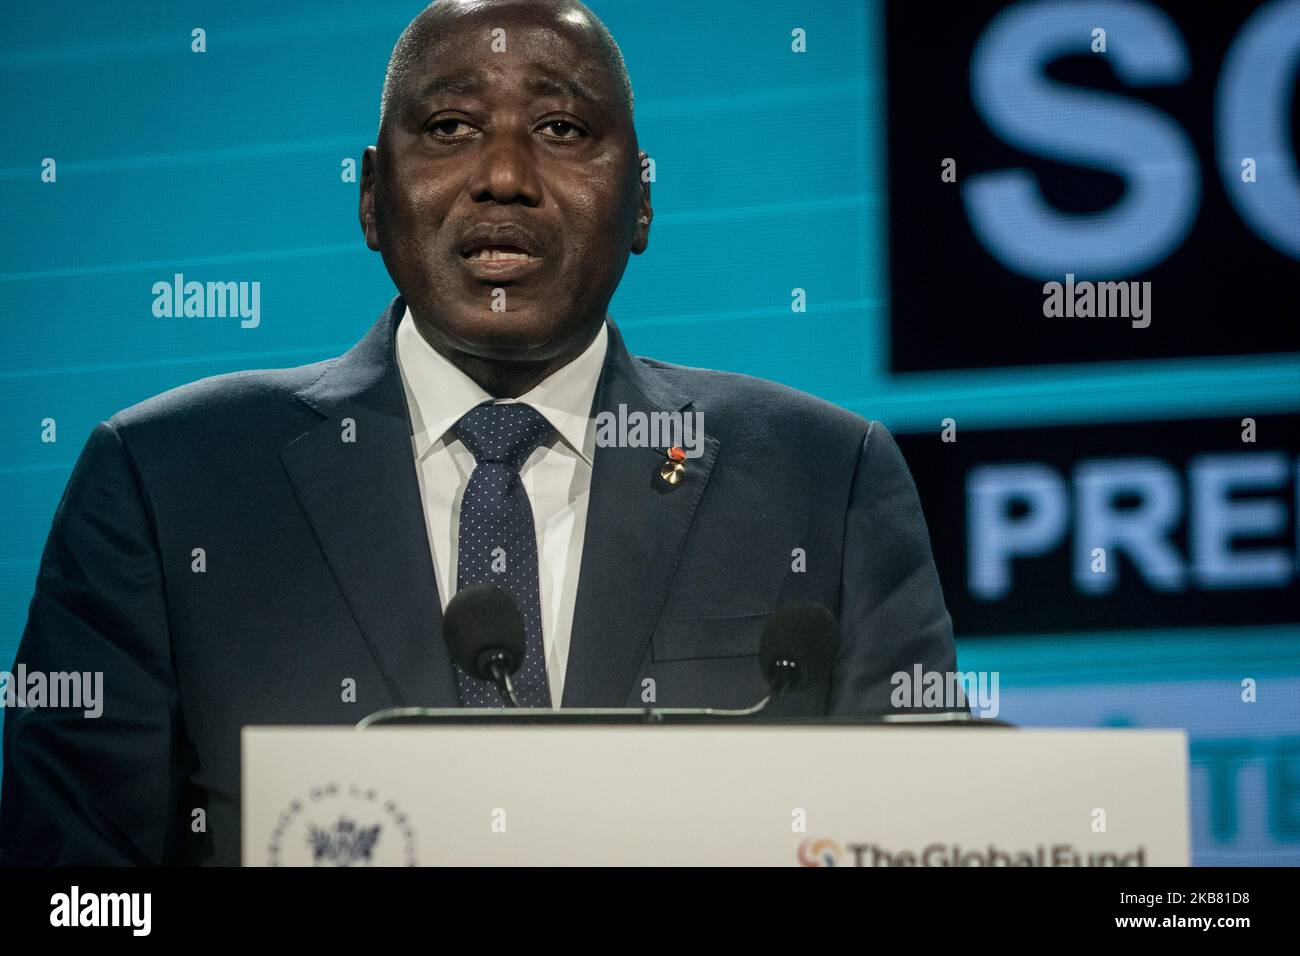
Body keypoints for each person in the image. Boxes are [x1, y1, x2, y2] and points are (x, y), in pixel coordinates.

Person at [0, 0, 957, 866]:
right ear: (372, 197)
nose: (504, 176)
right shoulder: (169, 483)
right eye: (450, 128)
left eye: (562, 129)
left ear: (644, 202)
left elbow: (915, 843)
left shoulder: (823, 480)